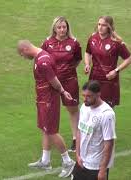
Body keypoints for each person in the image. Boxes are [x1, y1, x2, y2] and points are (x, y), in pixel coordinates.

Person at [17, 40, 75, 178]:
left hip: (49, 100)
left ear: (25, 49)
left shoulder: (43, 61)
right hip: (43, 99)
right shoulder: (40, 58)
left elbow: (54, 80)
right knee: (45, 129)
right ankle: (45, 160)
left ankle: (68, 162)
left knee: (52, 131)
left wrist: (62, 91)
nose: (23, 58)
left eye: (22, 55)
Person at [41, 16, 82, 152]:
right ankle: (50, 140)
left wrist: (67, 71)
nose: (62, 30)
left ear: (67, 28)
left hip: (69, 81)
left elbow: (77, 60)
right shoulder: (48, 43)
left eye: (64, 27)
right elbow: (43, 59)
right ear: (54, 28)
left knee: (72, 109)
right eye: (59, 27)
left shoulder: (74, 43)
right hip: (52, 83)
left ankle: (76, 139)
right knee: (50, 111)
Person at [84, 16, 131, 108]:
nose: (100, 27)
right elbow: (87, 52)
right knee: (92, 107)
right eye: (99, 24)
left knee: (107, 110)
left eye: (104, 25)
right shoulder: (93, 38)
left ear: (109, 27)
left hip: (109, 81)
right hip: (94, 79)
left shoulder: (116, 43)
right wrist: (87, 64)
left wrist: (116, 71)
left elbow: (129, 58)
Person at [72, 80, 116, 180]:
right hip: (81, 161)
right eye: (83, 95)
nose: (85, 99)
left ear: (98, 94)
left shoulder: (106, 114)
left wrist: (103, 169)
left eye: (89, 96)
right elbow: (79, 131)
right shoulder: (84, 107)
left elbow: (109, 143)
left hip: (96, 166)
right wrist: (78, 155)